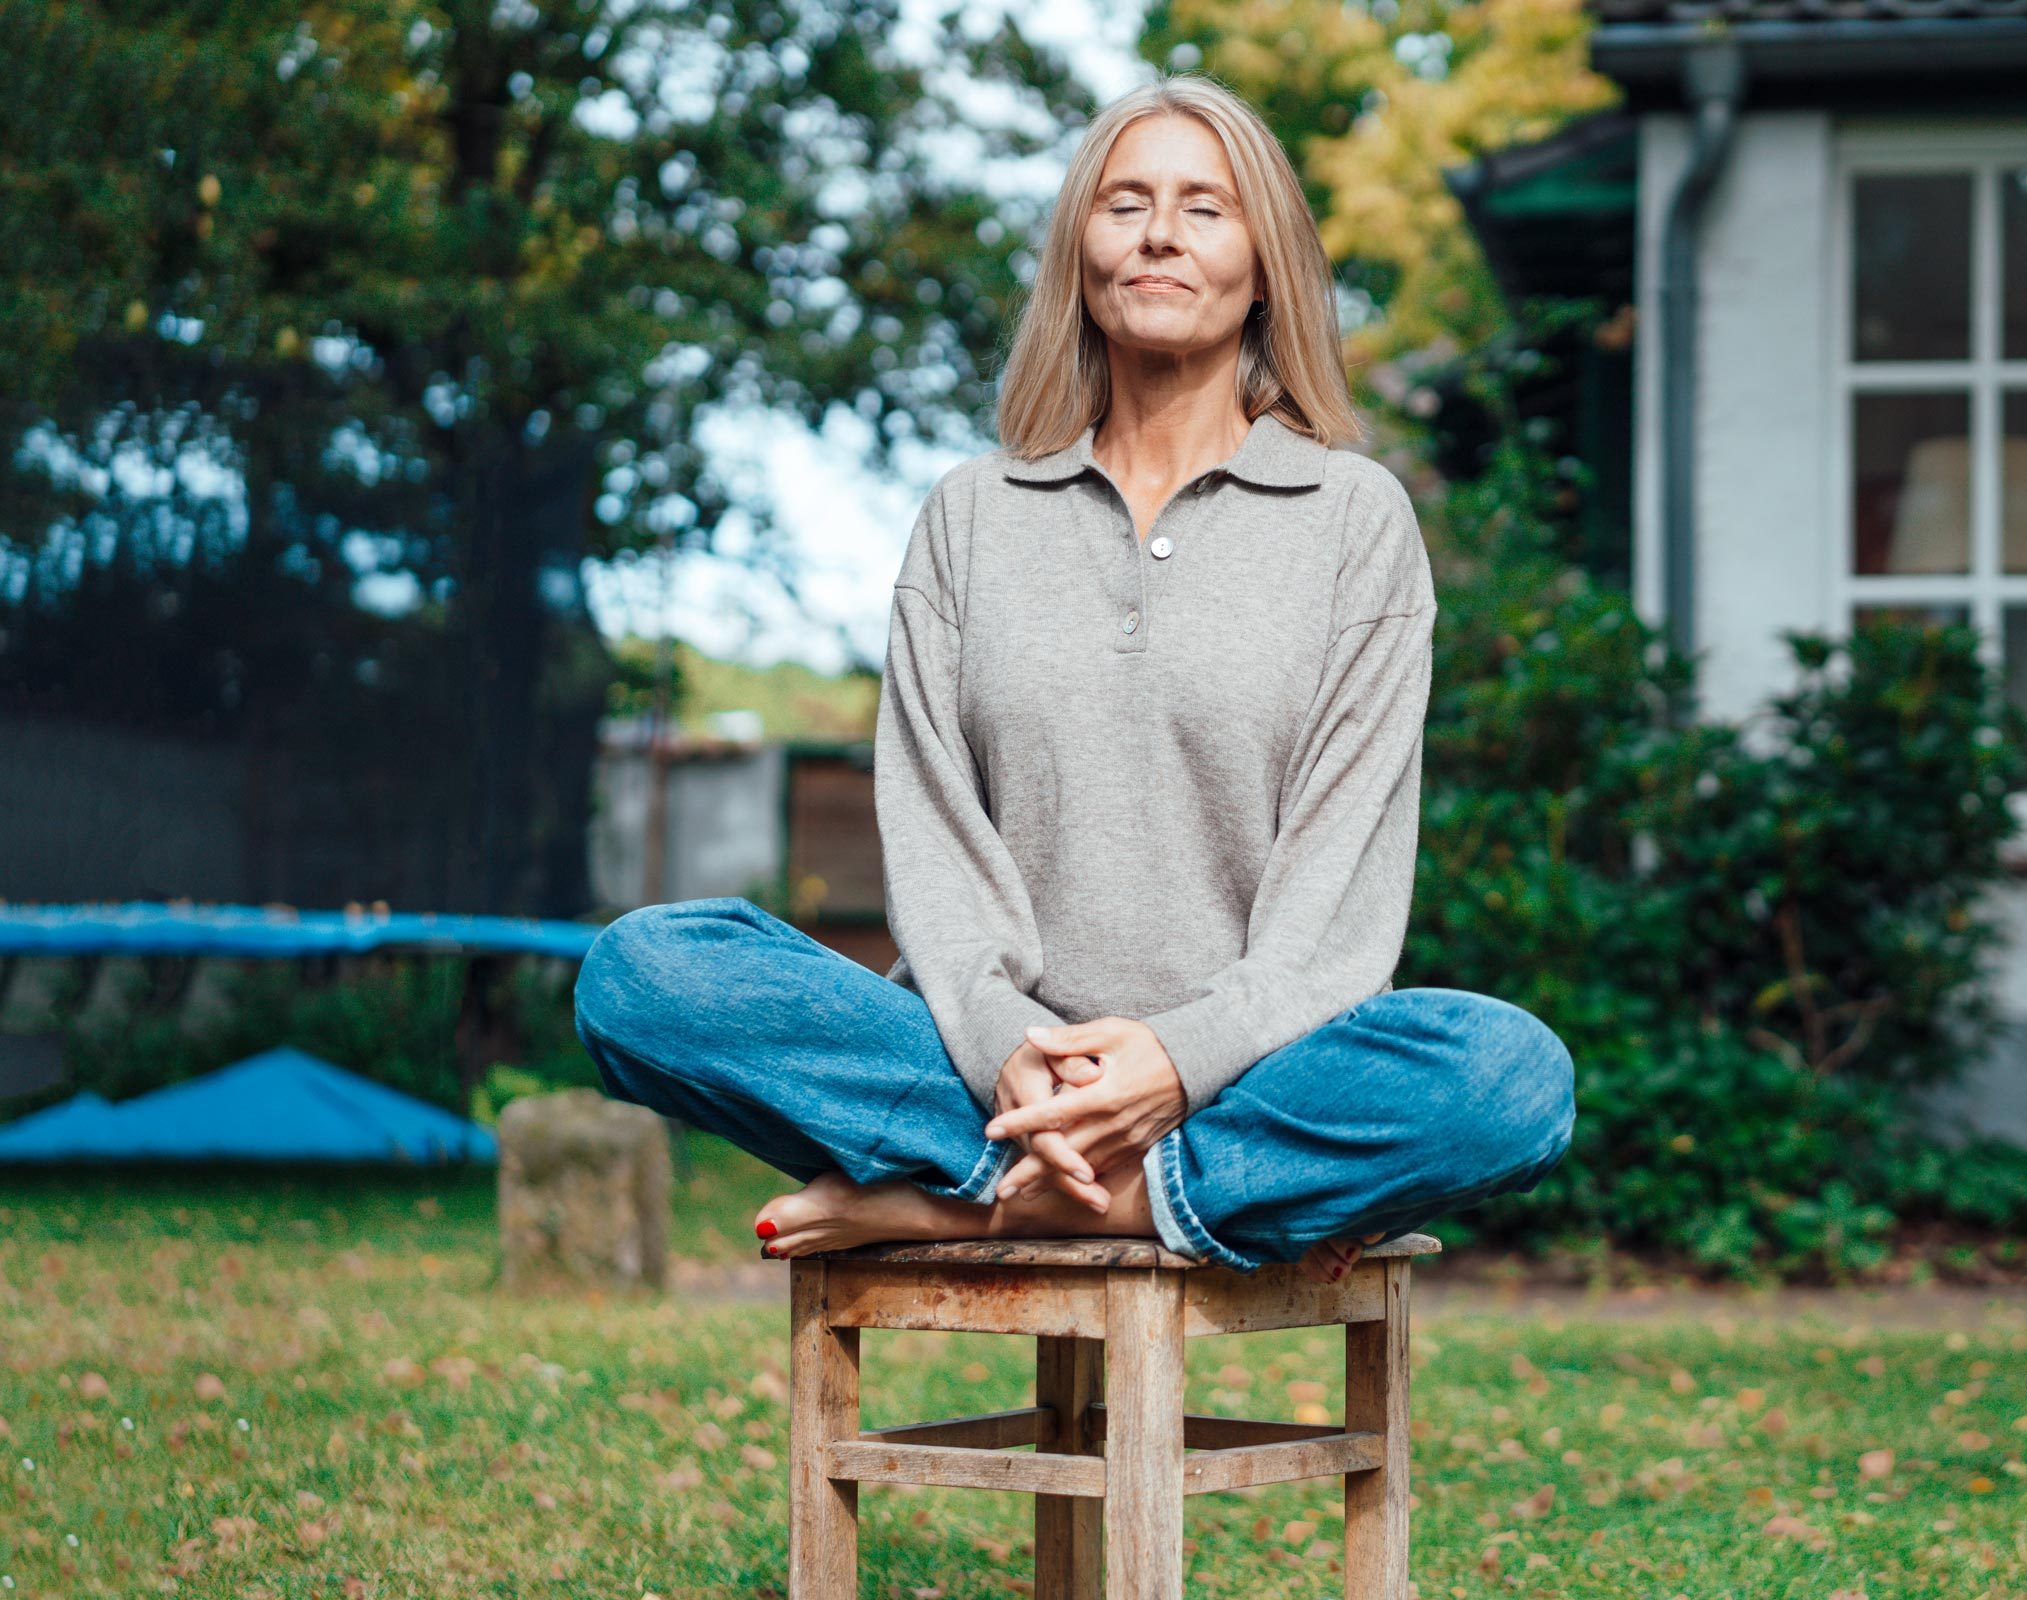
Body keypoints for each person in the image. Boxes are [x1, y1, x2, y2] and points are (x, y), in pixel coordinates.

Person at [572, 73, 1575, 1282]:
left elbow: (1337, 908)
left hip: (1252, 1072)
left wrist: (1177, 1057)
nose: (1160, 232)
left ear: (1265, 268)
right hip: (981, 1070)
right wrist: (1007, 1046)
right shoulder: (971, 514)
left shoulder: (1352, 519)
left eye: (1205, 208)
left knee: (1511, 1078)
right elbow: (934, 844)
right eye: (1125, 203)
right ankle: (1137, 1194)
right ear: (1079, 257)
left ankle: (978, 1205)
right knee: (641, 974)